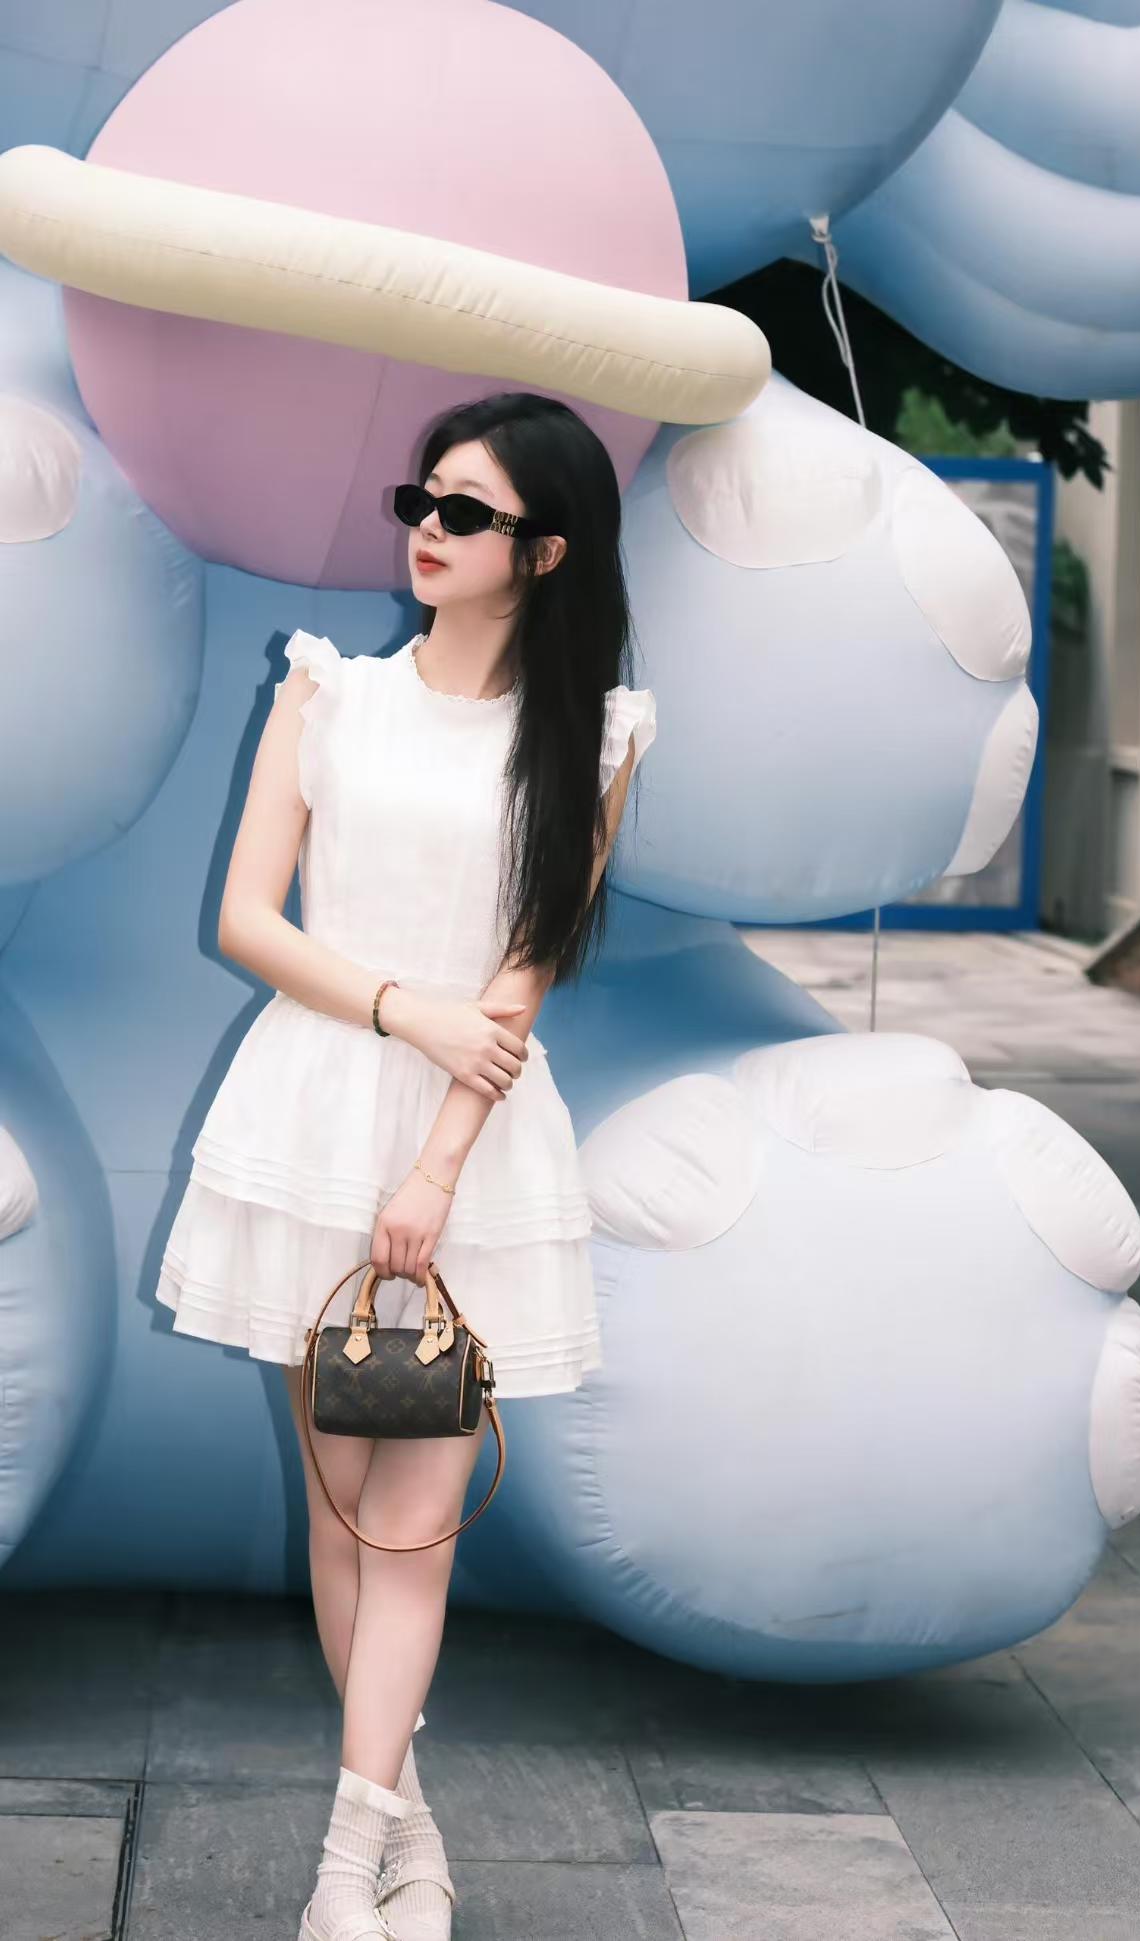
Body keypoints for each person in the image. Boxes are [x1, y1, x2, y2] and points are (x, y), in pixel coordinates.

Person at [154, 390, 657, 1941]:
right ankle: (409, 1838)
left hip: (471, 1146)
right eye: (422, 500)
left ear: (545, 551)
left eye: (467, 511)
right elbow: (247, 917)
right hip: (310, 1116)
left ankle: (337, 1878)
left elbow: (523, 978)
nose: (428, 529)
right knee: (339, 1514)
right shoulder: (330, 692)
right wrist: (399, 1008)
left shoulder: (596, 737)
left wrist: (436, 1164)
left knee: (413, 1523)